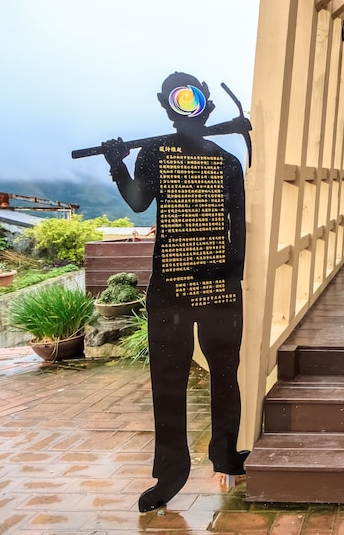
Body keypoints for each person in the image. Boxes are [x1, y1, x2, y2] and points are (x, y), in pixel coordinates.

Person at [102, 72, 249, 513]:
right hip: (174, 284)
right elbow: (138, 201)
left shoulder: (226, 162)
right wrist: (118, 164)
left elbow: (237, 227)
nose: (188, 106)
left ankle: (226, 453)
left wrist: (234, 278)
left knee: (225, 373)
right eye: (179, 98)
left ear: (207, 105)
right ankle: (170, 475)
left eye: (194, 98)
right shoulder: (154, 153)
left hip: (218, 283)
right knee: (168, 380)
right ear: (166, 105)